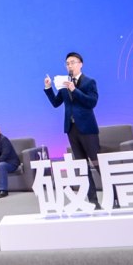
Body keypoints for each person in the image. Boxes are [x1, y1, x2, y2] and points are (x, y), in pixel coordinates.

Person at [44, 51, 100, 204]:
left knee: (98, 164)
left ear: (80, 64)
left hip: (87, 129)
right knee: (82, 167)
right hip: (71, 129)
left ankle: (114, 196)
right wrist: (48, 88)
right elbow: (56, 103)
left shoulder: (89, 82)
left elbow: (91, 102)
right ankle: (93, 201)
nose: (70, 65)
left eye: (73, 62)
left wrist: (75, 90)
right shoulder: (64, 84)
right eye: (67, 63)